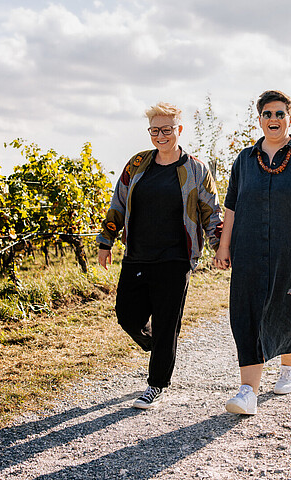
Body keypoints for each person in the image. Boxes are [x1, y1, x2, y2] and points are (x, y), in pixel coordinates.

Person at [214, 90, 291, 415]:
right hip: (250, 250)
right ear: (259, 119)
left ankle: (289, 368)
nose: (273, 119)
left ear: (290, 118)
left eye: (279, 114)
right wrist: (224, 246)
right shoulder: (244, 160)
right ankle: (247, 392)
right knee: (247, 313)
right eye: (267, 114)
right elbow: (232, 207)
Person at [97, 102, 222, 409]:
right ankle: (162, 348)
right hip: (137, 255)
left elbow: (211, 212)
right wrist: (106, 240)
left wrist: (221, 246)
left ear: (178, 130)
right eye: (155, 130)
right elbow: (119, 203)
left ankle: (156, 383)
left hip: (176, 258)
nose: (161, 135)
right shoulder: (137, 164)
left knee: (167, 322)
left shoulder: (195, 169)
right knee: (127, 315)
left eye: (167, 129)